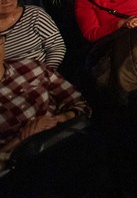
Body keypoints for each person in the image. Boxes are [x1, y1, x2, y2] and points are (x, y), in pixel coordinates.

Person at [0, 34, 92, 179]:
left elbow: (80, 104)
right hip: (21, 173)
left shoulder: (31, 67)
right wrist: (22, 140)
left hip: (66, 144)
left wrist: (57, 120)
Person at [0, 0, 65, 68]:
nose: (6, 0)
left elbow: (56, 47)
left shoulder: (34, 14)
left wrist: (47, 72)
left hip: (43, 71)